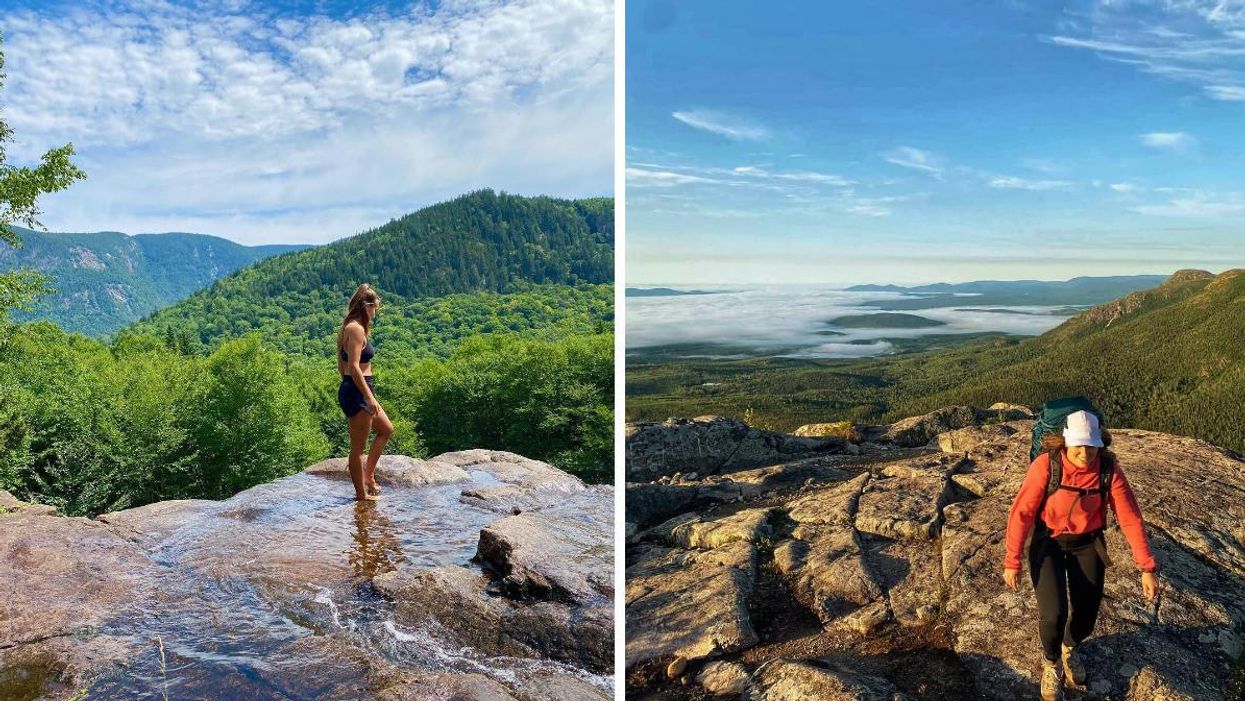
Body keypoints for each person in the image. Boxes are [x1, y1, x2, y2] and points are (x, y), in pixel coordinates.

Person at [1003, 410, 1160, 701]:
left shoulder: (1108, 470)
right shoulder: (1046, 466)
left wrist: (1146, 567)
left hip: (1087, 543)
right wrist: (1012, 560)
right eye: (1079, 446)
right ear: (1066, 442)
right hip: (1048, 542)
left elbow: (1129, 517)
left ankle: (1069, 647)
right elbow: (1022, 513)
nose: (1085, 453)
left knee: (1087, 615)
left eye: (1091, 446)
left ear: (1100, 444)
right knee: (1053, 614)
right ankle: (1051, 663)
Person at [336, 283, 394, 501]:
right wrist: (367, 397)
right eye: (375, 308)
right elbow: (352, 367)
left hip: (360, 388)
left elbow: (342, 364)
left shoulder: (353, 326)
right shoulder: (355, 329)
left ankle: (368, 476)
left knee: (386, 429)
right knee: (358, 448)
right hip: (358, 390)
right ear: (365, 306)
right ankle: (361, 495)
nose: (376, 312)